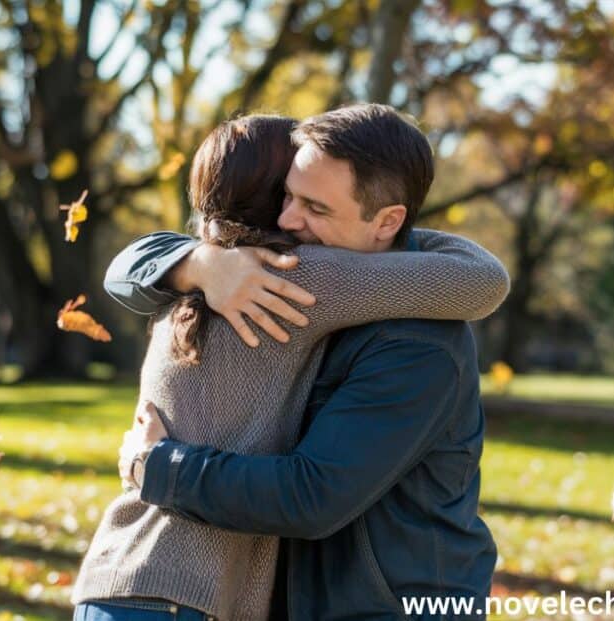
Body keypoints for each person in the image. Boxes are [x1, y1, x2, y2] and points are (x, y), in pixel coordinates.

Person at [74, 106, 508, 621]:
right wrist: (198, 262)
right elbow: (477, 275)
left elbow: (311, 495)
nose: (286, 221)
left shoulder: (415, 338)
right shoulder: (272, 275)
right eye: (287, 196)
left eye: (314, 207)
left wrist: (162, 467)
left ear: (388, 221)